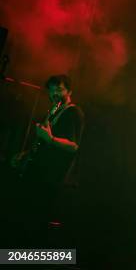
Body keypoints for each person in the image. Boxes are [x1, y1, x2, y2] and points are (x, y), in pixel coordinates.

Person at [10, 74, 84, 245]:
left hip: (50, 177)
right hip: (38, 173)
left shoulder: (73, 112)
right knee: (25, 219)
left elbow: (73, 145)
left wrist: (50, 139)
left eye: (59, 89)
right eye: (51, 91)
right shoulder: (54, 111)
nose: (54, 94)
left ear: (69, 91)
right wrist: (25, 155)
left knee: (36, 222)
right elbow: (44, 144)